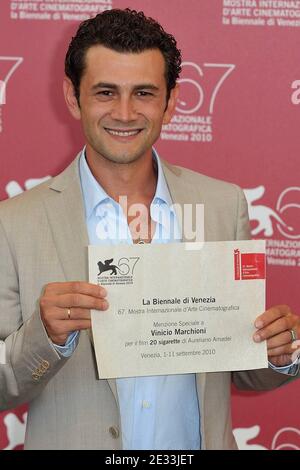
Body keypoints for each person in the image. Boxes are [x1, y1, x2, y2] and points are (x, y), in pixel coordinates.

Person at [0, 8, 299, 450]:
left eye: (143, 92)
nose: (125, 113)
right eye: (105, 92)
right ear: (72, 96)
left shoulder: (222, 205)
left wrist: (280, 352)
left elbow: (243, 369)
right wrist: (44, 337)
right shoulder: (14, 223)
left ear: (171, 101)